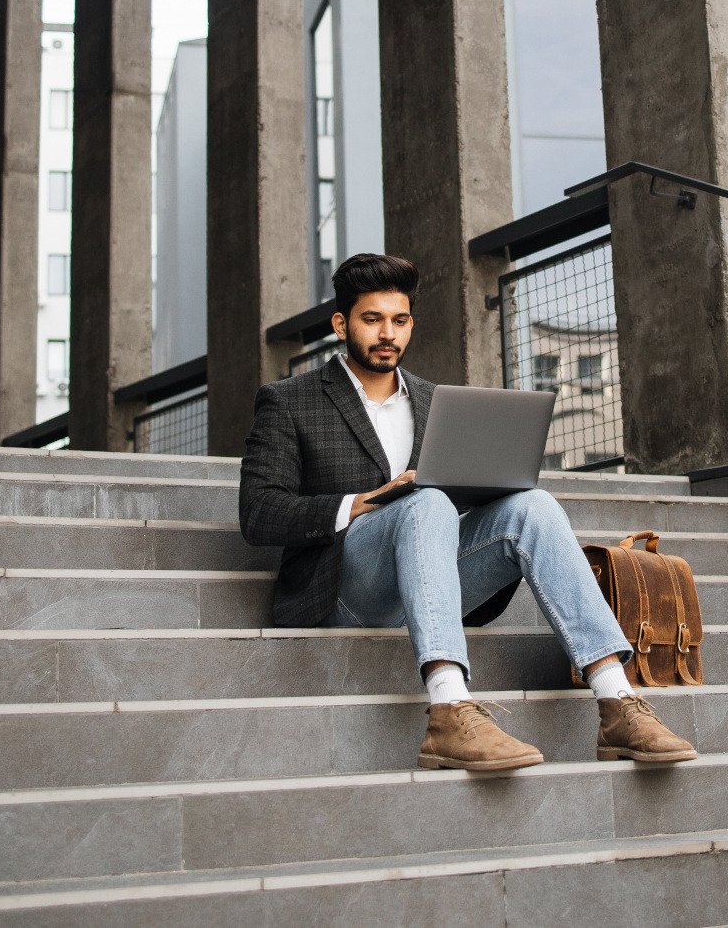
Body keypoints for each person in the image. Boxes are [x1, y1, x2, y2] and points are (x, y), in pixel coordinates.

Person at [238, 252, 698, 772]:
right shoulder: (289, 401)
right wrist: (363, 503)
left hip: (431, 576)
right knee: (426, 498)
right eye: (372, 320)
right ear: (341, 323)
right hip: (344, 586)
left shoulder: (437, 402)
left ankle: (617, 701)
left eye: (400, 320)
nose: (388, 333)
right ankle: (450, 708)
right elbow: (259, 513)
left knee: (532, 505)